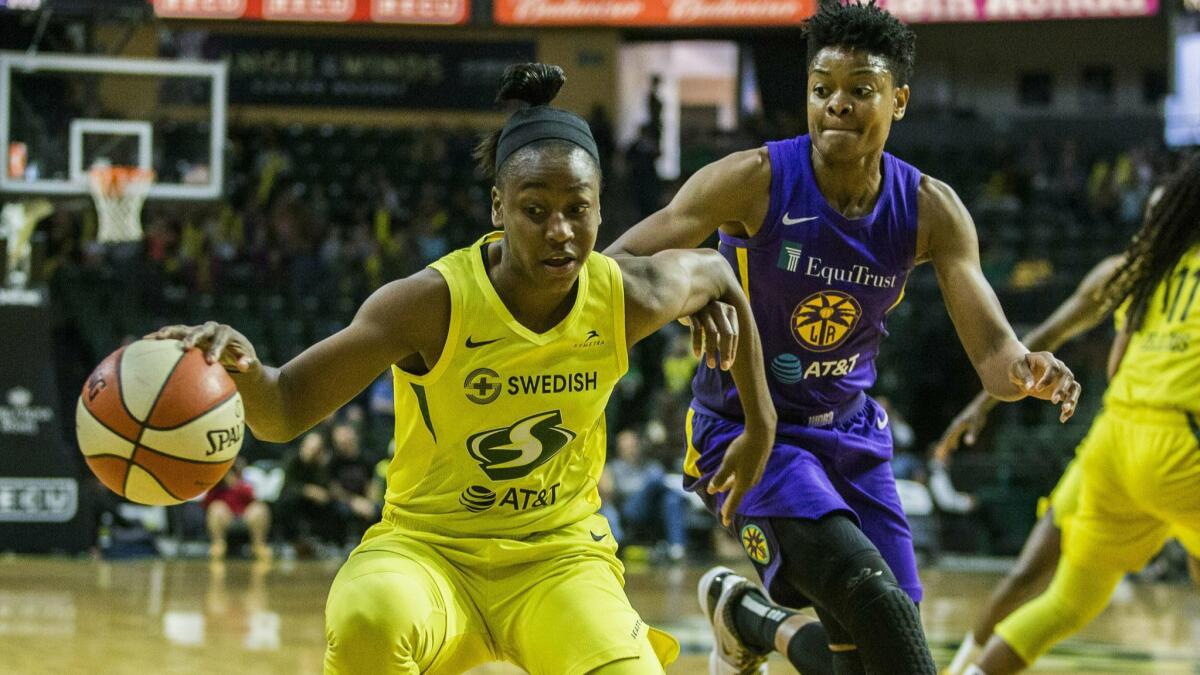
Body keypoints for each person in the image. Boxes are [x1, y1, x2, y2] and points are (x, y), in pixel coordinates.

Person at [149, 62, 777, 675]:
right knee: (368, 620)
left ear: (600, 209)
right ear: (499, 207)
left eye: (577, 209)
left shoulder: (626, 296)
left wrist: (760, 424)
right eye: (535, 210)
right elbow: (284, 409)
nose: (560, 231)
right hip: (428, 551)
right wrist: (247, 370)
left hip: (559, 559)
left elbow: (719, 270)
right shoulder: (429, 303)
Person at [605, 2, 1080, 673]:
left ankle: (746, 619)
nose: (836, 105)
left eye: (860, 90)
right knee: (874, 601)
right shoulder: (756, 179)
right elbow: (617, 265)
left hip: (852, 438)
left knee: (875, 657)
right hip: (749, 434)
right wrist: (692, 294)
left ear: (899, 100)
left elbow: (994, 356)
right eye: (821, 89)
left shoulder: (929, 209)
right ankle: (751, 614)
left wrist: (1029, 368)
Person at [965, 154, 1200, 674]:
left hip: (1114, 444)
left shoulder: (1142, 269)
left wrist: (984, 402)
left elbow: (1114, 365)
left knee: (1056, 599)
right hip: (1182, 445)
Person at [605, 428, 689, 561]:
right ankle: (687, 493)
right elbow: (611, 492)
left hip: (652, 508)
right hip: (629, 508)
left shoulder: (650, 465)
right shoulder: (614, 467)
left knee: (672, 499)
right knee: (656, 480)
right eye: (626, 447)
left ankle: (677, 548)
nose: (631, 450)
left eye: (633, 446)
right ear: (619, 449)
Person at [204, 457, 272, 562]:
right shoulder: (217, 485)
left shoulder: (246, 482)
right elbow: (207, 503)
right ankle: (218, 545)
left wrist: (236, 485)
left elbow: (252, 497)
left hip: (246, 515)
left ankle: (258, 545)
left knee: (260, 508)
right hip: (226, 517)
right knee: (216, 507)